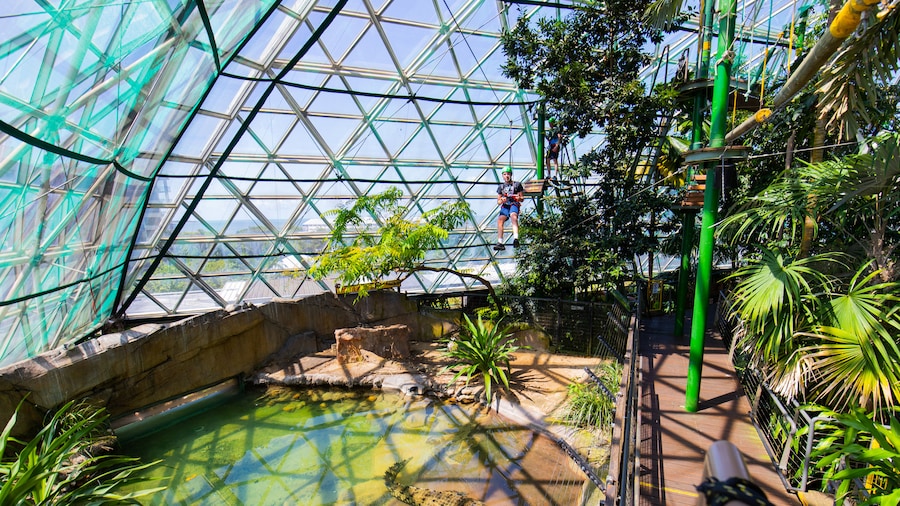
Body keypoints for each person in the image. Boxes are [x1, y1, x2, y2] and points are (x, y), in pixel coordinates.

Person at [495, 166, 524, 251]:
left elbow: (522, 198)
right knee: (500, 220)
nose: (506, 176)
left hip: (514, 204)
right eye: (504, 174)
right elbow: (498, 201)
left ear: (511, 175)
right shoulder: (501, 187)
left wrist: (517, 198)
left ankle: (516, 238)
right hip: (506, 205)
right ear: (502, 176)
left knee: (513, 216)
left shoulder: (517, 185)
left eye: (508, 174)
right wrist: (502, 200)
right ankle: (500, 242)